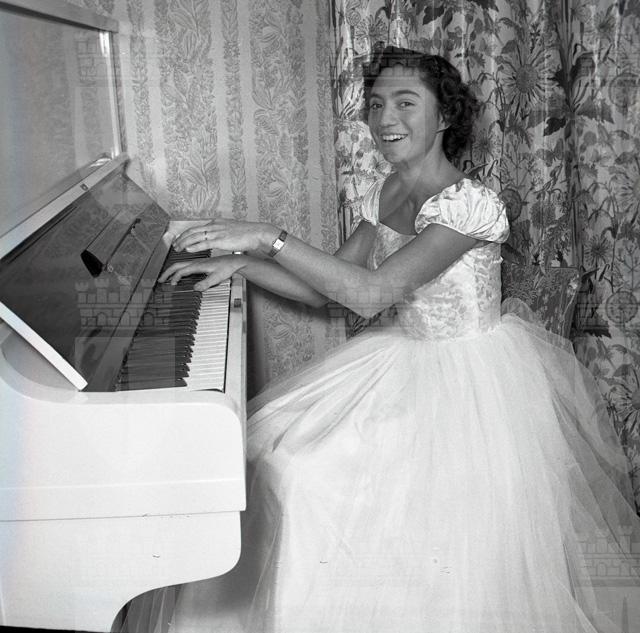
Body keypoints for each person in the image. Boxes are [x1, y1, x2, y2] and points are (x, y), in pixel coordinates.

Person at [125, 46, 640, 632]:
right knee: (272, 456)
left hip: (468, 387)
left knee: (307, 477)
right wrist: (242, 264)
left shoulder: (469, 204)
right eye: (375, 104)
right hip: (401, 359)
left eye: (404, 102)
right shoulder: (388, 190)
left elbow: (371, 295)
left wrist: (268, 237)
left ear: (445, 116)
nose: (384, 118)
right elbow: (325, 291)